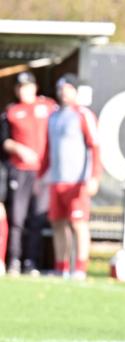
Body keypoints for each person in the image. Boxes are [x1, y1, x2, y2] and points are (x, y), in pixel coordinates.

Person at [40, 74, 101, 280]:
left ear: (75, 91)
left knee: (78, 223)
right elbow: (48, 149)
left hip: (78, 181)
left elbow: (95, 147)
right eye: (60, 89)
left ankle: (80, 267)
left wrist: (93, 177)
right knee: (58, 223)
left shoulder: (83, 115)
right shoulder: (53, 116)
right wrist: (42, 175)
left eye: (67, 88)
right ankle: (61, 266)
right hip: (56, 179)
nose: (63, 93)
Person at [1, 71, 57, 275]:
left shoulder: (49, 107)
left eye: (27, 86)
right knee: (17, 218)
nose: (24, 90)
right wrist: (19, 149)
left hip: (42, 172)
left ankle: (32, 262)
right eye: (20, 87)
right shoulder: (12, 112)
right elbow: (4, 141)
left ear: (34, 87)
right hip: (19, 171)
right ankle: (14, 260)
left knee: (37, 218)